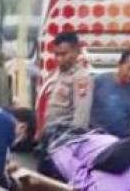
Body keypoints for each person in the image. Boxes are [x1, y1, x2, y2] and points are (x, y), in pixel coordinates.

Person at [36, 32, 92, 176]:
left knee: (58, 182)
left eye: (64, 54)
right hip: (49, 136)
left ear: (76, 52)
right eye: (57, 54)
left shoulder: (80, 78)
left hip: (63, 139)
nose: (59, 58)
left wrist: (72, 146)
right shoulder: (56, 74)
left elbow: (81, 116)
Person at [89, 48, 130, 138]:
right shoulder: (99, 82)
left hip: (121, 142)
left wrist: (124, 124)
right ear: (120, 64)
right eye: (129, 68)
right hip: (96, 140)